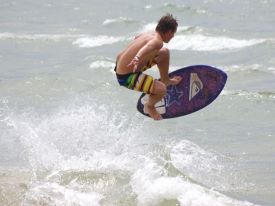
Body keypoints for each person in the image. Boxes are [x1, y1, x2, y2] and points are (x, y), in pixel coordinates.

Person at [114, 14, 182, 120]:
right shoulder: (158, 42)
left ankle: (166, 80)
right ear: (169, 32)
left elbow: (137, 38)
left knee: (164, 53)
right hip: (127, 77)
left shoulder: (149, 34)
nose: (172, 36)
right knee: (161, 89)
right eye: (173, 33)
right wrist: (137, 57)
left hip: (122, 65)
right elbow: (148, 46)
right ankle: (149, 106)